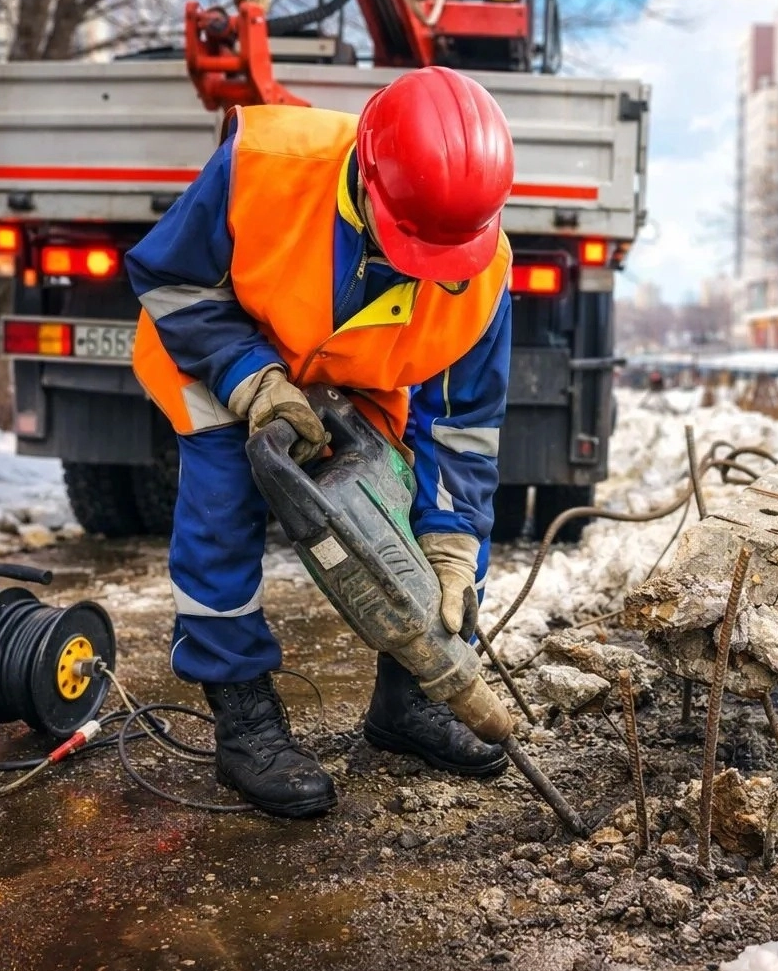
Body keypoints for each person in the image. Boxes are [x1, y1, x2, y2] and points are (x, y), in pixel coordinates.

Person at [126, 66, 515, 818]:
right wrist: (251, 377)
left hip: (353, 378)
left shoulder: (485, 273)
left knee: (443, 536)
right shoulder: (266, 162)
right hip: (222, 356)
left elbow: (462, 424)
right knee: (220, 514)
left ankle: (411, 704)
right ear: (367, 178)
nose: (419, 267)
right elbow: (171, 280)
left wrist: (450, 540)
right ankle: (244, 722)